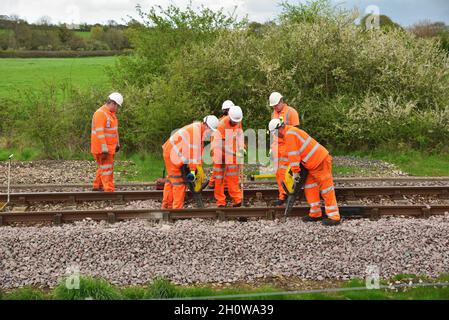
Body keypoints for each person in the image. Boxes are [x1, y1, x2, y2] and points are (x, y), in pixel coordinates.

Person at [268, 119, 341, 226]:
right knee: (310, 187)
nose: (276, 136)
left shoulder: (289, 135)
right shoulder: (291, 131)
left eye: (275, 134)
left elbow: (293, 155)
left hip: (319, 161)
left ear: (278, 130)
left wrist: (296, 172)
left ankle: (334, 217)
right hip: (311, 164)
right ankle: (316, 213)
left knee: (326, 189)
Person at [162, 116, 219, 209]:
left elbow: (198, 154)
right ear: (206, 126)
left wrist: (199, 170)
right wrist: (193, 171)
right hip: (172, 154)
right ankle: (176, 211)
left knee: (170, 180)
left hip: (173, 152)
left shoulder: (199, 131)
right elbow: (192, 156)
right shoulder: (195, 133)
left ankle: (167, 206)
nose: (211, 134)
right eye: (211, 131)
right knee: (179, 183)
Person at [269, 92, 300, 206]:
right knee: (278, 173)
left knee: (286, 173)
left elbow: (296, 132)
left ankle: (288, 195)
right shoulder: (274, 114)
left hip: (287, 146)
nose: (275, 107)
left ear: (281, 101)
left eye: (276, 105)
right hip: (277, 146)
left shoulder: (291, 112)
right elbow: (273, 132)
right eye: (273, 106)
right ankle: (283, 195)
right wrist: (271, 148)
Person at [212, 106, 244, 207]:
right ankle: (220, 202)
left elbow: (239, 135)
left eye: (237, 121)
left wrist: (242, 147)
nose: (235, 123)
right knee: (219, 179)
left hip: (231, 152)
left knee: (233, 177)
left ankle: (237, 200)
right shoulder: (221, 125)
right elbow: (221, 145)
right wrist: (234, 153)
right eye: (234, 121)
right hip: (219, 152)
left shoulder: (238, 121)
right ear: (229, 117)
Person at [91, 92, 123, 192]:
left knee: (104, 167)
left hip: (110, 147)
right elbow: (100, 132)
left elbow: (114, 131)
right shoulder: (100, 114)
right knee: (107, 169)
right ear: (112, 103)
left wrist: (117, 143)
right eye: (117, 106)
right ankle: (108, 189)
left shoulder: (111, 115)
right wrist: (104, 147)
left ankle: (97, 186)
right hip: (103, 148)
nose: (117, 109)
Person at [208, 100, 235, 189]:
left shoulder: (220, 120)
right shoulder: (227, 122)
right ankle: (224, 185)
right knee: (225, 167)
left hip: (215, 148)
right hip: (220, 148)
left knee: (217, 167)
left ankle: (212, 184)